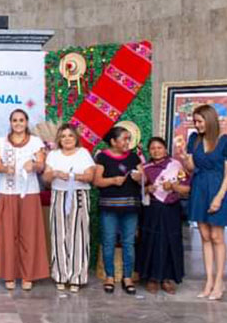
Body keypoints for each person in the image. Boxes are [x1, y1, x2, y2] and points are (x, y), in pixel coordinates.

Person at [181, 104, 227, 300]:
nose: (197, 125)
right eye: (194, 122)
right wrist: (186, 160)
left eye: (199, 121)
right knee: (205, 236)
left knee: (217, 237)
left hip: (217, 188)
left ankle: (219, 281)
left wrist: (219, 197)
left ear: (210, 120)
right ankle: (208, 281)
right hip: (199, 188)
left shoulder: (226, 142)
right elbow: (190, 168)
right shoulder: (194, 139)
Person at [0, 109, 48, 291]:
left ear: (26, 122)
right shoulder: (1, 142)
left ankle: (27, 275)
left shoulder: (36, 142)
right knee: (8, 234)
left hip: (29, 193)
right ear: (10, 122)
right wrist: (4, 168)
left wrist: (34, 165)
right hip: (7, 192)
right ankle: (9, 274)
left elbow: (41, 165)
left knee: (29, 234)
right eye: (15, 120)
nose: (18, 123)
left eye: (21, 120)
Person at [42, 123, 96, 293]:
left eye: (70, 135)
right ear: (59, 139)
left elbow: (90, 176)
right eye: (63, 136)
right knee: (59, 234)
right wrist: (56, 174)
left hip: (79, 195)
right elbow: (46, 178)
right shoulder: (53, 155)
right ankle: (60, 275)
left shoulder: (83, 153)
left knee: (78, 236)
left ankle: (77, 277)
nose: (67, 139)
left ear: (76, 138)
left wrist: (73, 176)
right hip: (59, 195)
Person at [137, 137, 190, 294]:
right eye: (153, 148)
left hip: (171, 209)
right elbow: (139, 190)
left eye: (159, 147)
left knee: (170, 241)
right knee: (151, 241)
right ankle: (152, 278)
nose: (156, 151)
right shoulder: (145, 168)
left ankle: (167, 278)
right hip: (152, 209)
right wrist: (147, 189)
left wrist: (173, 186)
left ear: (166, 149)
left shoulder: (176, 165)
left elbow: (186, 188)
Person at [93, 126, 143, 295]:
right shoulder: (102, 157)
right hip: (109, 207)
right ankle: (109, 276)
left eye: (129, 139)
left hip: (130, 207)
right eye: (124, 139)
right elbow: (97, 181)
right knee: (109, 241)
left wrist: (140, 178)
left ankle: (127, 277)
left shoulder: (134, 157)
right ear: (113, 141)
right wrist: (113, 180)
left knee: (129, 243)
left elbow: (145, 178)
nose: (127, 142)